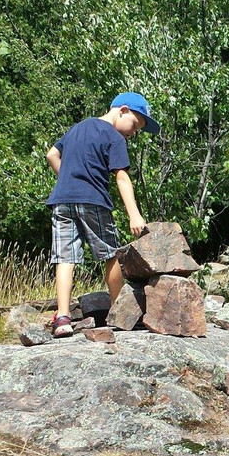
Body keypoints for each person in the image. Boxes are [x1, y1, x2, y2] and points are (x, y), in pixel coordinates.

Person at [45, 92, 159, 336]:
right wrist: (134, 215)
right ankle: (119, 313)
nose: (134, 132)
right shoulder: (114, 136)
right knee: (111, 255)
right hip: (93, 200)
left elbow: (51, 154)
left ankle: (62, 318)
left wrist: (67, 179)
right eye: (135, 125)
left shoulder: (77, 128)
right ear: (123, 110)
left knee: (65, 258)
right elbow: (121, 177)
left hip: (62, 200)